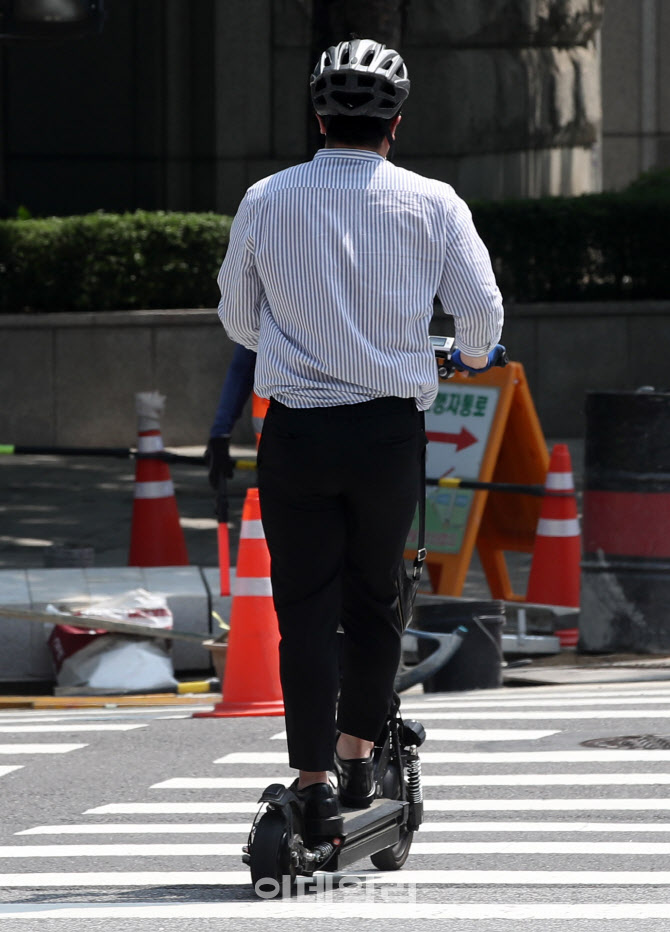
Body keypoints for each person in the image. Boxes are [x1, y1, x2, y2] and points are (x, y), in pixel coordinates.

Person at [217, 37, 504, 834]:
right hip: (386, 432)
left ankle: (308, 780)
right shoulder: (434, 202)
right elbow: (479, 317)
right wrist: (470, 355)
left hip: (297, 433)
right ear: (396, 124)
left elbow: (239, 319)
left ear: (318, 115)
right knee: (375, 596)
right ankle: (355, 755)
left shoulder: (266, 198)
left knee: (303, 606)